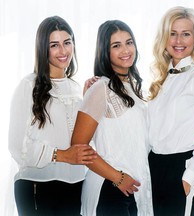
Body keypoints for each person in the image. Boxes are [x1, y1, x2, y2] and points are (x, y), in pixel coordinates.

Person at [8, 16, 97, 216]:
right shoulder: (28, 85)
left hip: (75, 186)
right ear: (42, 49)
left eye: (67, 42)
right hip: (37, 186)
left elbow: (78, 138)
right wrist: (63, 155)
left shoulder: (76, 89)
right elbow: (16, 146)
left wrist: (88, 100)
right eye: (54, 45)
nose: (63, 51)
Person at [70, 20, 153, 216]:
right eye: (116, 45)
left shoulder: (135, 87)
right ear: (105, 52)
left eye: (129, 42)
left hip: (134, 189)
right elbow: (78, 146)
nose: (125, 50)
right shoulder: (100, 87)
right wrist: (117, 177)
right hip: (110, 188)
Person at [147, 6, 194, 216]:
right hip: (156, 168)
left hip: (183, 170)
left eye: (186, 34)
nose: (178, 41)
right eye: (173, 34)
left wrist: (188, 179)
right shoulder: (163, 77)